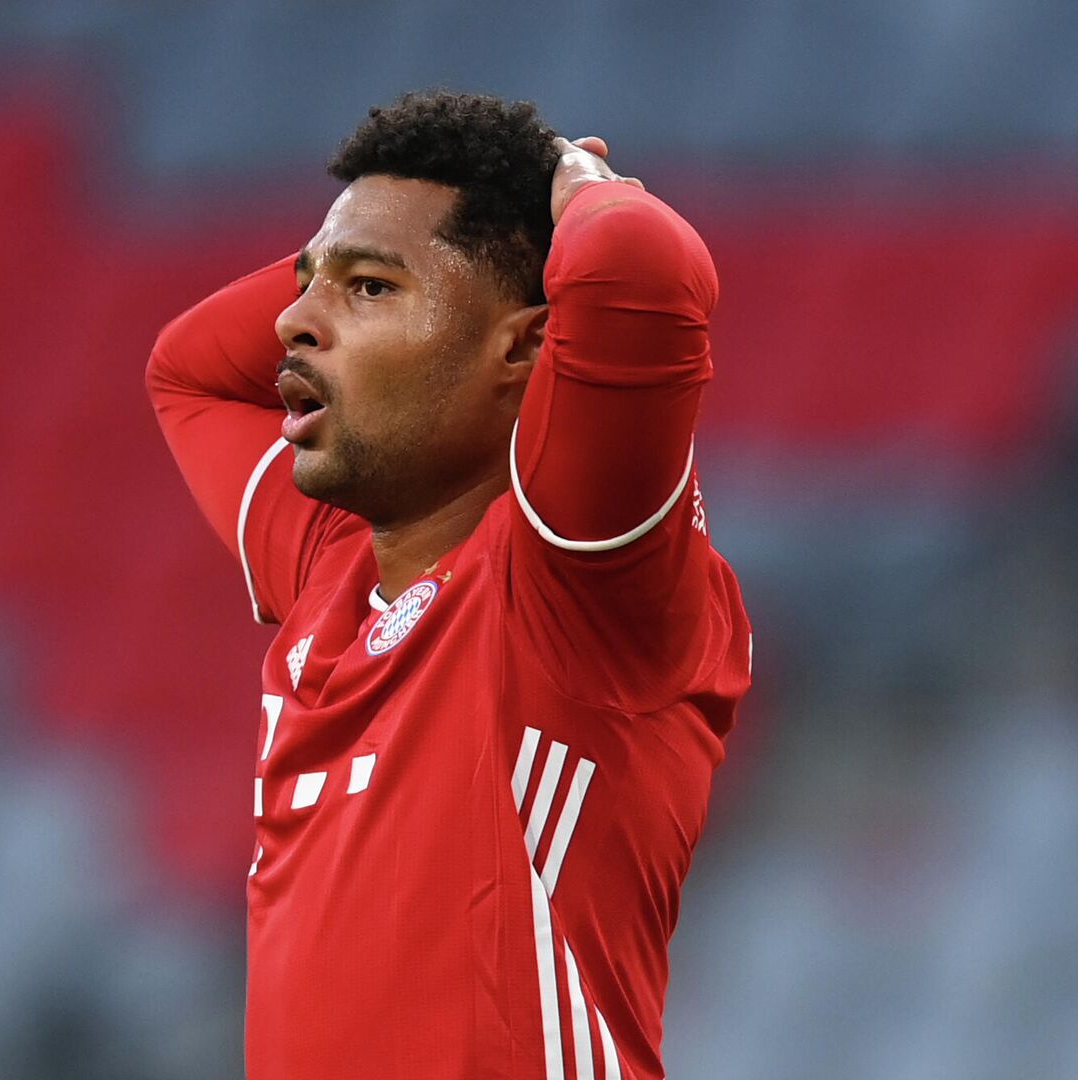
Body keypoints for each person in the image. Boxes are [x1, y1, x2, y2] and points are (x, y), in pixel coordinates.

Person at [146, 89, 752, 1080]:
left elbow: (641, 269)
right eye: (305, 286)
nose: (294, 323)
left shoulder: (577, 579)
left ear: (520, 348)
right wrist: (366, 249)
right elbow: (188, 372)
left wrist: (571, 187)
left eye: (370, 291)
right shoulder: (330, 569)